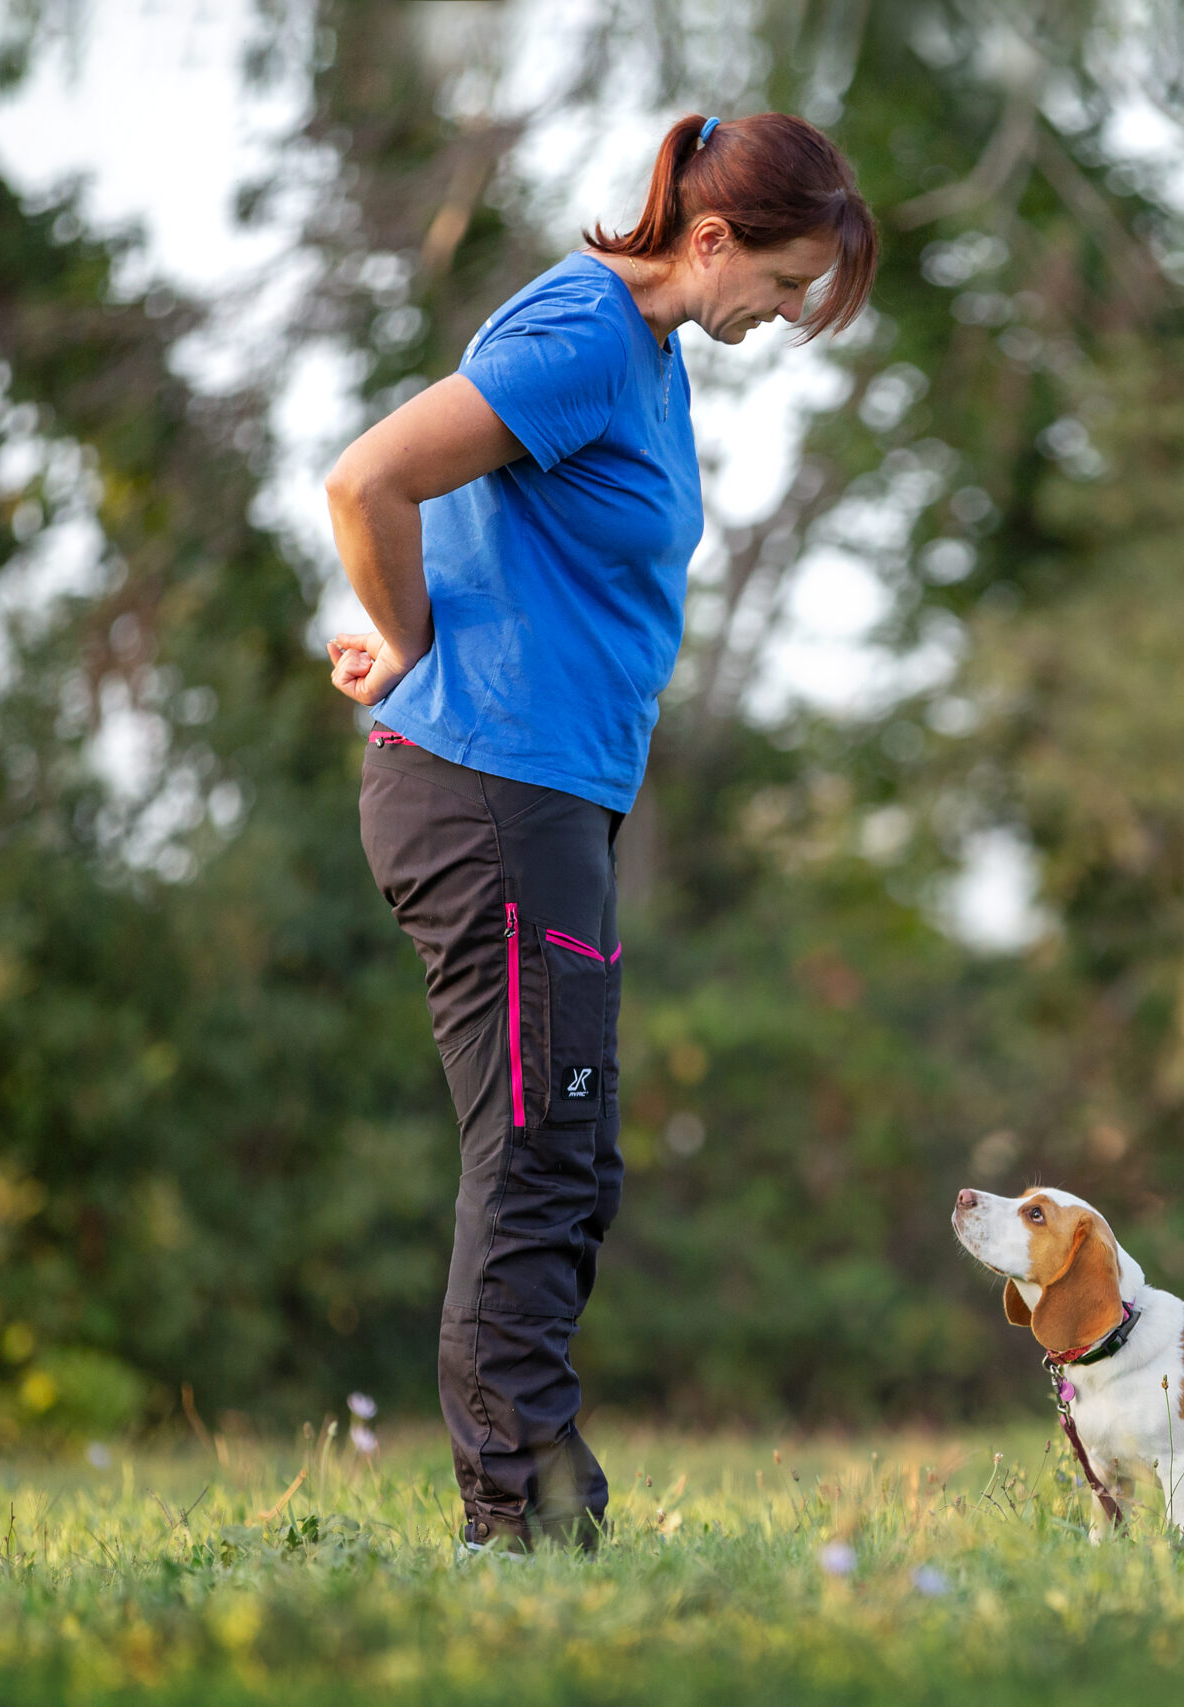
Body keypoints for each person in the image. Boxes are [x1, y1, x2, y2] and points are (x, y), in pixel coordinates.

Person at [321, 113, 877, 1554]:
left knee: (569, 1147)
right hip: (488, 795)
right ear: (711, 241)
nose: (787, 315)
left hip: (544, 799)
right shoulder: (582, 330)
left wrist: (419, 629)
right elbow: (366, 477)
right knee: (533, 1144)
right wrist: (405, 634)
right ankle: (518, 1525)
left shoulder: (642, 355)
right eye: (786, 281)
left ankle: (548, 1503)